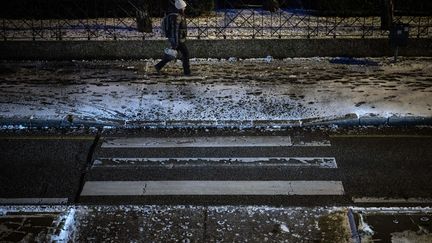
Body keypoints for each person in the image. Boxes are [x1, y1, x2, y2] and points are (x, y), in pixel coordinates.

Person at [155, 0, 191, 76]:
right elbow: (175, 31)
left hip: (178, 39)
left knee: (172, 55)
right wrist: (176, 43)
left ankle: (158, 66)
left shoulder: (179, 16)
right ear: (180, 8)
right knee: (186, 54)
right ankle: (187, 72)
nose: (185, 8)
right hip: (178, 40)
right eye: (184, 7)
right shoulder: (177, 17)